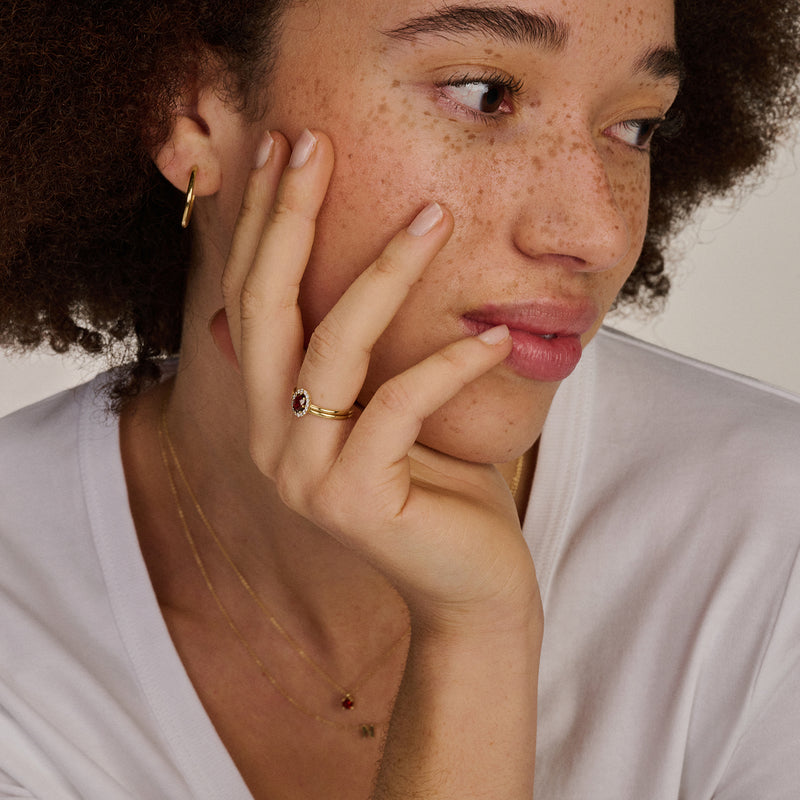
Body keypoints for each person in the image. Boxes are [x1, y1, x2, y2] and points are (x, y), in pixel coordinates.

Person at [1, 1, 799, 798]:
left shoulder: (771, 544)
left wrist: (475, 631)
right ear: (189, 110)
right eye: (486, 93)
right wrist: (473, 638)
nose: (595, 232)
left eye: (636, 127)